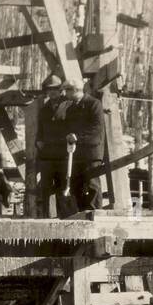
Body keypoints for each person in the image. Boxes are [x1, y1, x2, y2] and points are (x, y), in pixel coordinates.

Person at [63, 78, 106, 213]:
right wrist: (68, 135)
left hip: (92, 153)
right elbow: (68, 128)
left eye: (67, 90)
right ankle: (81, 215)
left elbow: (96, 128)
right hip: (76, 153)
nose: (64, 94)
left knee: (92, 184)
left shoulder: (94, 104)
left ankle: (96, 215)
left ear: (75, 90)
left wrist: (77, 137)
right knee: (76, 185)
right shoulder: (70, 109)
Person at [32, 74, 67, 218]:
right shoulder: (44, 110)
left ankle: (65, 217)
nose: (52, 92)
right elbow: (40, 130)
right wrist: (38, 142)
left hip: (63, 154)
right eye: (50, 89)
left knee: (63, 187)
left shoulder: (68, 105)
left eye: (56, 89)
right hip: (47, 154)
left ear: (61, 90)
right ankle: (47, 217)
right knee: (46, 187)